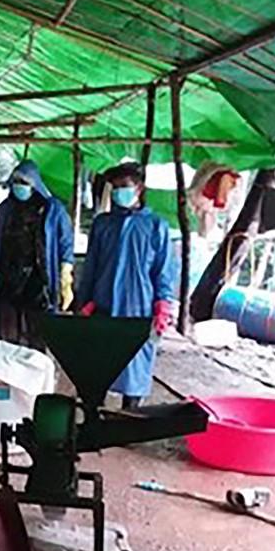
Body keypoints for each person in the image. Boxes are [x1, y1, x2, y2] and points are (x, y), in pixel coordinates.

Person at [75, 162, 177, 409]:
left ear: (139, 188)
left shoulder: (155, 226)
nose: (120, 192)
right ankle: (93, 419)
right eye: (116, 187)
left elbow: (163, 270)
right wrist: (84, 301)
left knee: (135, 367)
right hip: (103, 305)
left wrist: (163, 305)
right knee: (97, 365)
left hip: (139, 308)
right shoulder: (103, 224)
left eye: (125, 187)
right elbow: (91, 266)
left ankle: (128, 419)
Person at [0, 160, 75, 349]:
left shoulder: (52, 209)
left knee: (37, 329)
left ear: (35, 184)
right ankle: (10, 368)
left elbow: (66, 244)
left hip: (38, 279)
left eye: (24, 183)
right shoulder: (6, 208)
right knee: (7, 328)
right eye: (15, 182)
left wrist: (65, 275)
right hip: (8, 277)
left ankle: (37, 367)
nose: (18, 187)